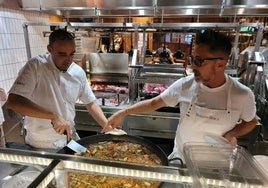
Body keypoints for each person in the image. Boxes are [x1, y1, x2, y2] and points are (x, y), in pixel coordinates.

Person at [102, 29, 258, 162]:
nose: (192, 65)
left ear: (220, 64)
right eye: (192, 59)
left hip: (217, 165)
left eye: (198, 60)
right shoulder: (186, 85)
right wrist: (123, 112)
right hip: (181, 160)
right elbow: (153, 103)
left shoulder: (242, 94)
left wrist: (232, 133)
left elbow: (251, 121)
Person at [6, 29, 110, 150]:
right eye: (62, 54)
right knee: (49, 169)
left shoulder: (77, 72)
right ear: (50, 49)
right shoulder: (35, 66)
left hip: (69, 137)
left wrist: (106, 125)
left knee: (82, 164)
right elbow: (14, 102)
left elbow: (90, 102)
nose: (68, 59)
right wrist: (53, 116)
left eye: (72, 53)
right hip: (41, 142)